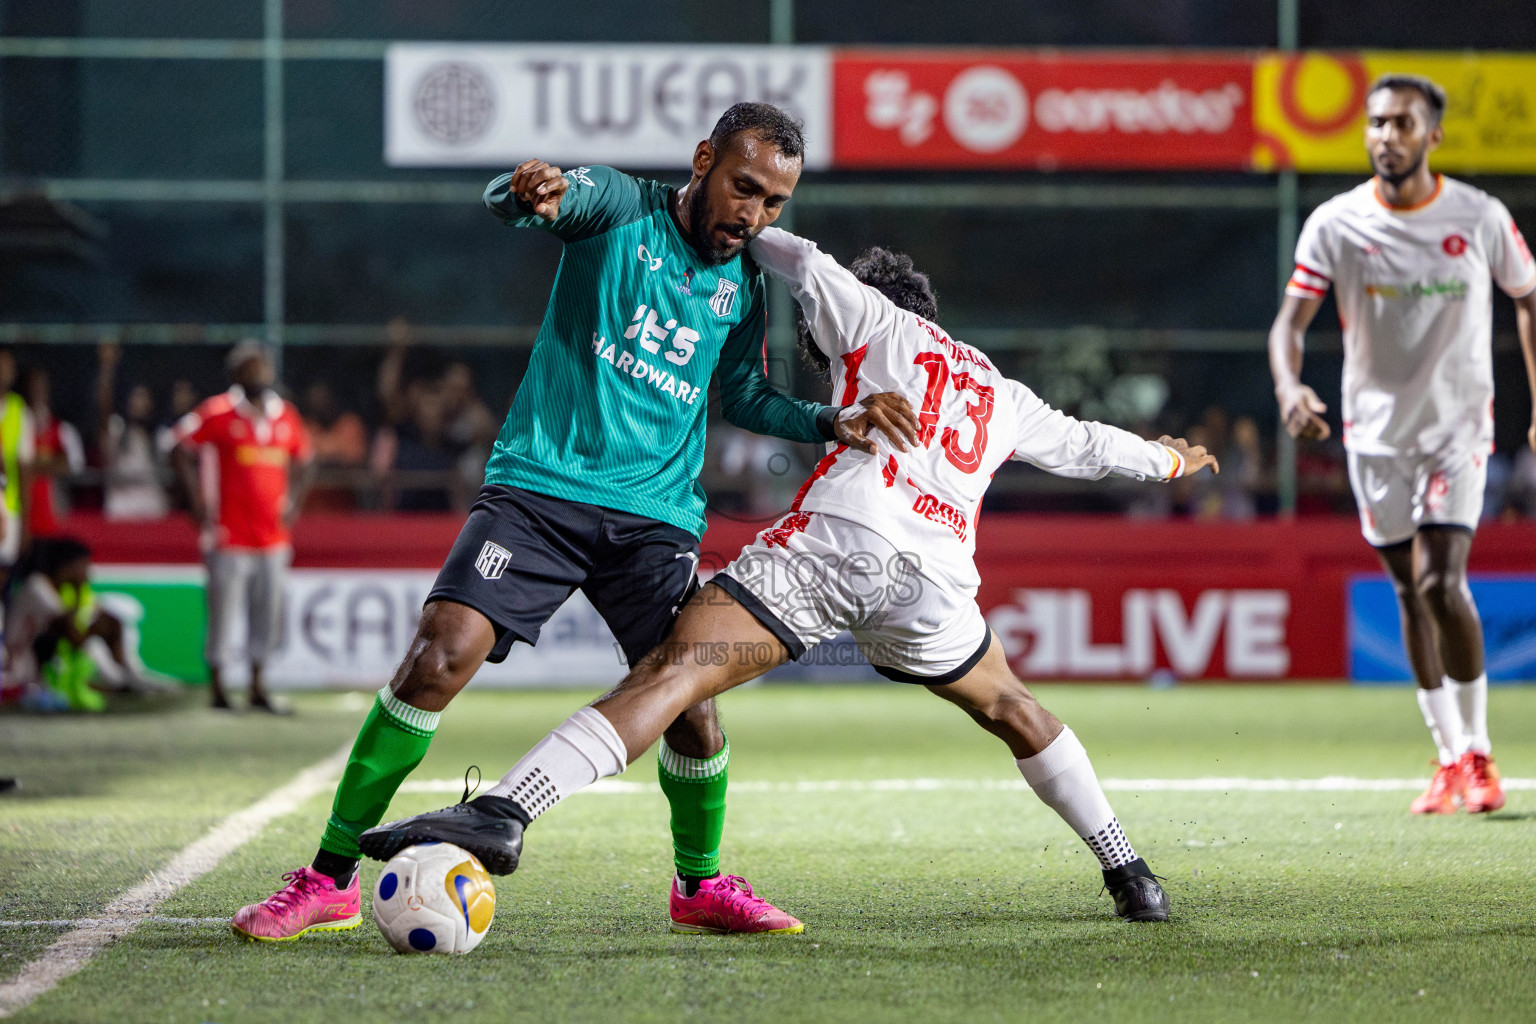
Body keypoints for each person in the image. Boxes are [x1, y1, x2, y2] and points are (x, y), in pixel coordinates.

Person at [357, 227, 1219, 928]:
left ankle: (508, 808)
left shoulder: (879, 322)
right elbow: (1092, 447)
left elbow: (806, 263)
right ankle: (1130, 873)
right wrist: (1171, 463)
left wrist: (742, 226)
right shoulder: (1001, 390)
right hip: (936, 580)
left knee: (674, 671)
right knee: (1014, 708)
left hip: (843, 539)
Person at [228, 102, 914, 942]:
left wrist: (828, 420)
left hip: (655, 520)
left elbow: (740, 396)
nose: (753, 215)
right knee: (437, 657)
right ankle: (328, 878)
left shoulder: (744, 285)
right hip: (541, 492)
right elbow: (523, 200)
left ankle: (698, 886)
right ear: (704, 159)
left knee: (691, 709)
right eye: (744, 188)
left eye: (774, 203)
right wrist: (524, 194)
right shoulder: (619, 205)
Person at [1269, 74, 1536, 816]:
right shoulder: (1334, 222)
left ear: (1433, 136)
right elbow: (1288, 325)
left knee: (1438, 582)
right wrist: (1292, 390)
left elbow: (1528, 297)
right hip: (1373, 433)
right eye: (1377, 124)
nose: (1388, 136)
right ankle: (1449, 756)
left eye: (1403, 124)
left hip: (1458, 428)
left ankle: (1480, 756)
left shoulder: (1478, 216)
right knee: (1404, 592)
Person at [171, 341, 315, 713]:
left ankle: (256, 685)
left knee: (267, 613)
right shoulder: (216, 412)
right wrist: (195, 503)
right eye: (250, 369)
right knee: (223, 612)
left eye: (263, 368)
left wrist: (294, 503)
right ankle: (218, 688)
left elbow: (306, 460)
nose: (259, 375)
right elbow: (177, 446)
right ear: (235, 375)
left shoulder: (285, 415)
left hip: (272, 536)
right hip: (227, 534)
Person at [4, 537, 137, 712]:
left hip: (35, 663)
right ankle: (118, 683)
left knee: (109, 625)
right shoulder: (37, 587)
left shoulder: (60, 589)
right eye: (84, 565)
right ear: (67, 566)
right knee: (88, 645)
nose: (87, 573)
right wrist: (78, 591)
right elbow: (73, 634)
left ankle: (122, 680)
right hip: (16, 666)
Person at [96, 343, 170, 521]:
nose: (139, 403)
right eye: (135, 397)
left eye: (144, 397)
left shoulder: (161, 435)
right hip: (121, 508)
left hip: (153, 509)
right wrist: (107, 369)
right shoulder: (117, 428)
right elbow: (103, 412)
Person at [23, 367, 86, 539]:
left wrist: (33, 465)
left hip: (54, 518)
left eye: (41, 387)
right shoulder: (16, 427)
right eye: (32, 387)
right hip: (21, 519)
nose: (36, 392)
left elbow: (72, 466)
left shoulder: (63, 431)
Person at [0, 349, 35, 590]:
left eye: (7, 367)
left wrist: (25, 525)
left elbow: (24, 471)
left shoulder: (19, 411)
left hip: (7, 511)